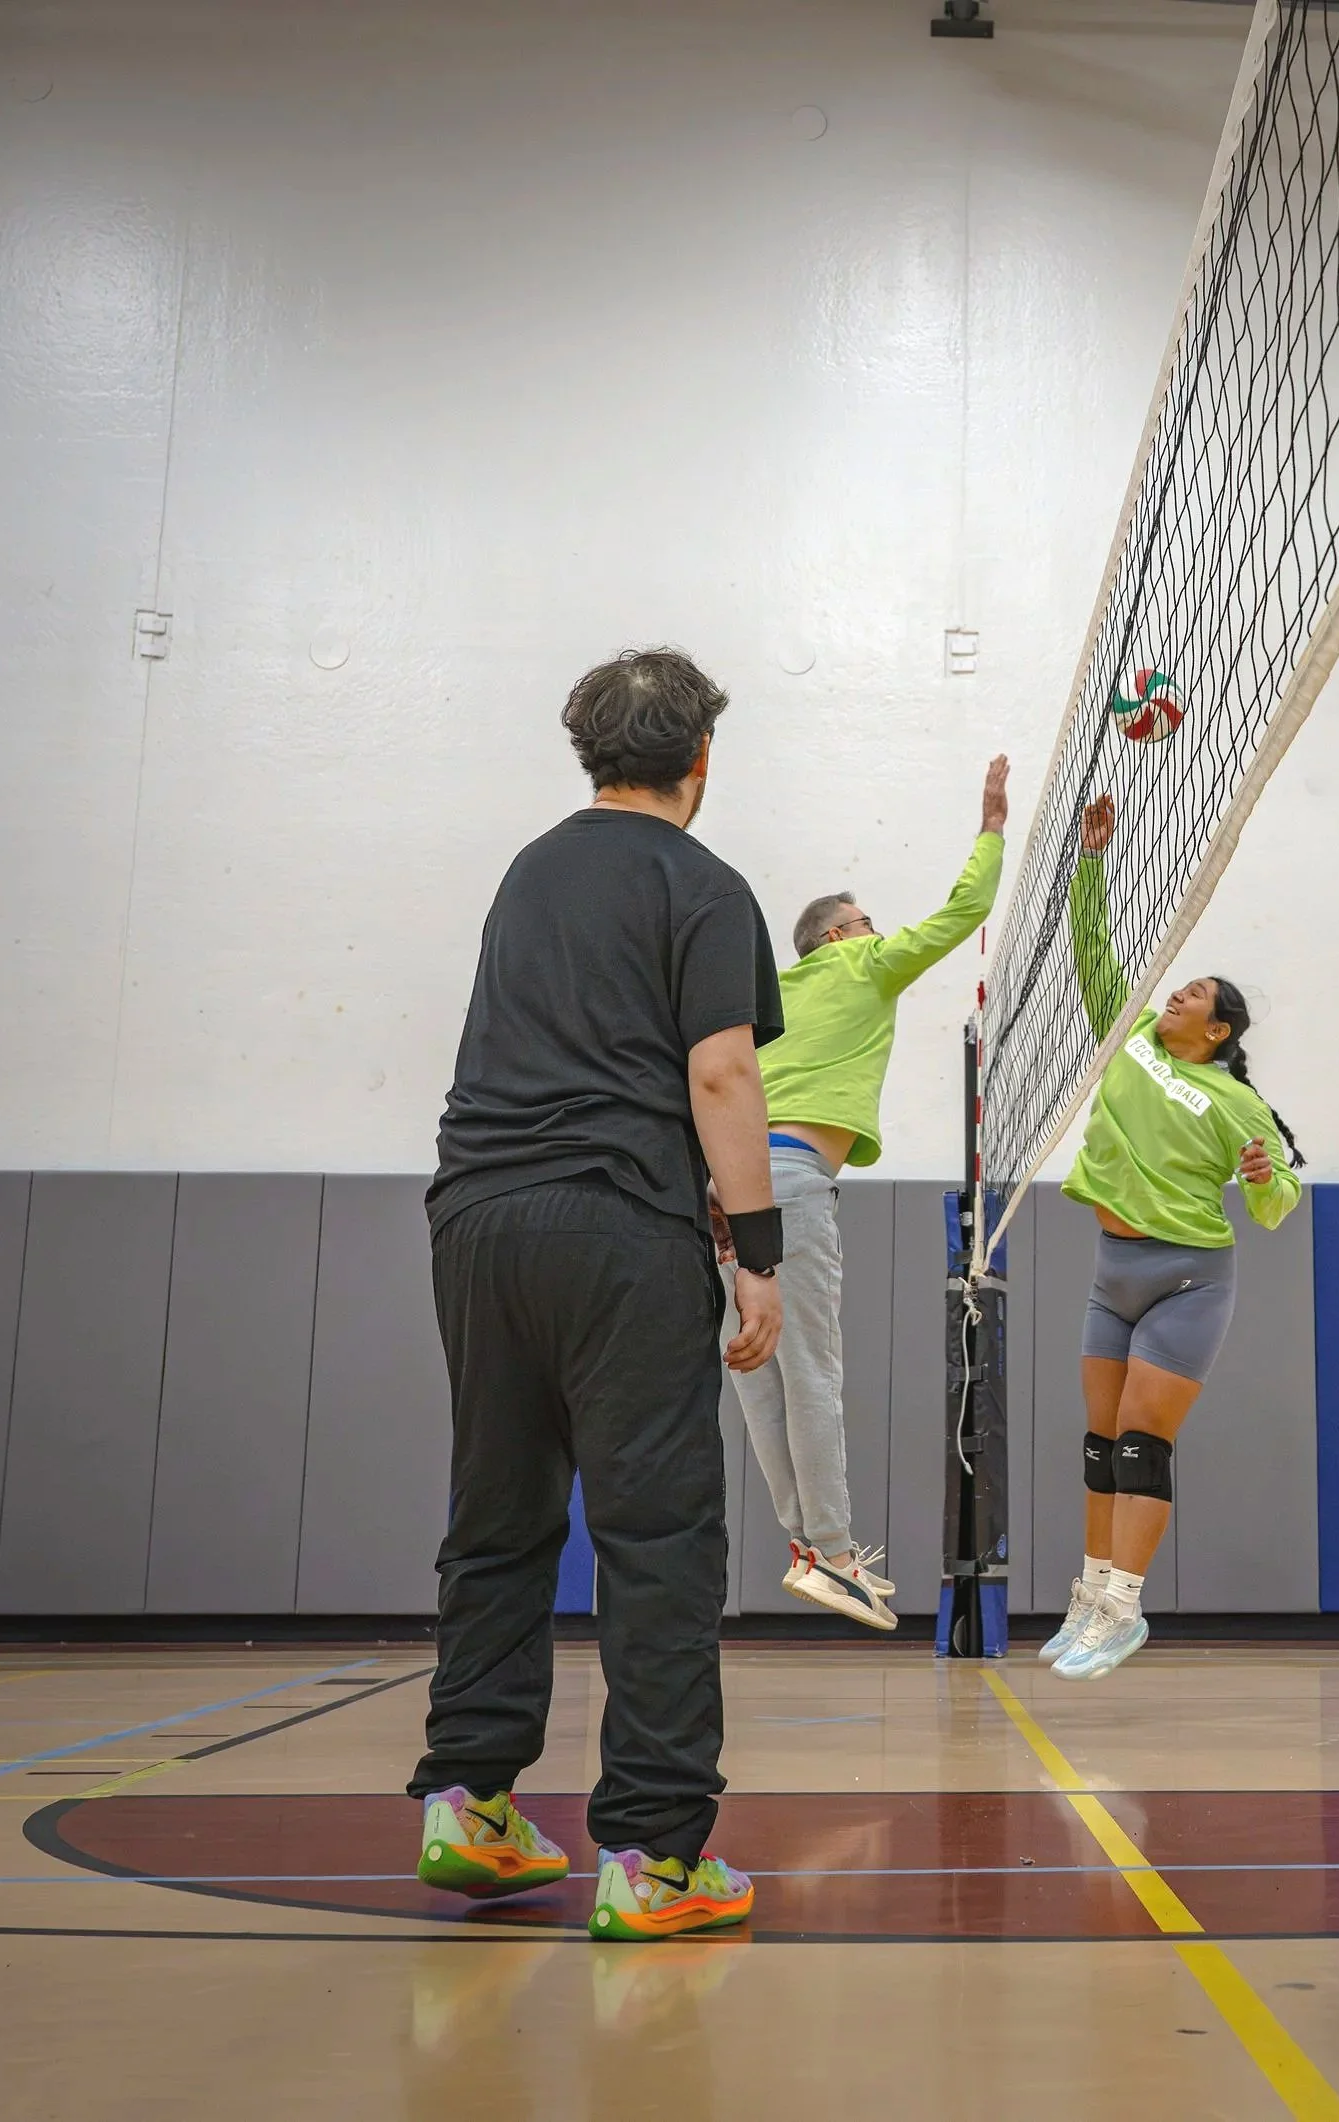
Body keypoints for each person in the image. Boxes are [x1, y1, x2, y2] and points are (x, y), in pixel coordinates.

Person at [410, 648, 784, 1943]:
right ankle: (657, 1857)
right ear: (701, 760)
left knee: (500, 1516)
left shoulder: (529, 869)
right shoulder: (705, 882)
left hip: (475, 1218)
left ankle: (468, 1799)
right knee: (658, 1535)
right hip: (619, 1221)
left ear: (589, 752)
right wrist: (760, 1252)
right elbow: (723, 1075)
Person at [725, 756, 1010, 1631]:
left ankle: (811, 1551)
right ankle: (839, 1553)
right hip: (793, 1182)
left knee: (760, 1377)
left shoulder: (766, 994)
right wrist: (992, 828)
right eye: (866, 924)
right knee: (810, 1370)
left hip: (722, 1190)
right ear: (841, 938)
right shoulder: (860, 969)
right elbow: (963, 913)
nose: (877, 933)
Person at [1039, 790, 1306, 1680]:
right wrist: (1090, 861)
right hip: (1111, 1269)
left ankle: (1124, 1607)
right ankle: (1088, 1594)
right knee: (1097, 1442)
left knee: (1140, 1444)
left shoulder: (1240, 1102)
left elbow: (1281, 1199)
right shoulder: (1131, 1043)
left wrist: (1269, 1179)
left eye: (1193, 995)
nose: (1176, 992)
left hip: (1188, 1279)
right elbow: (1092, 955)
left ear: (1216, 1030)